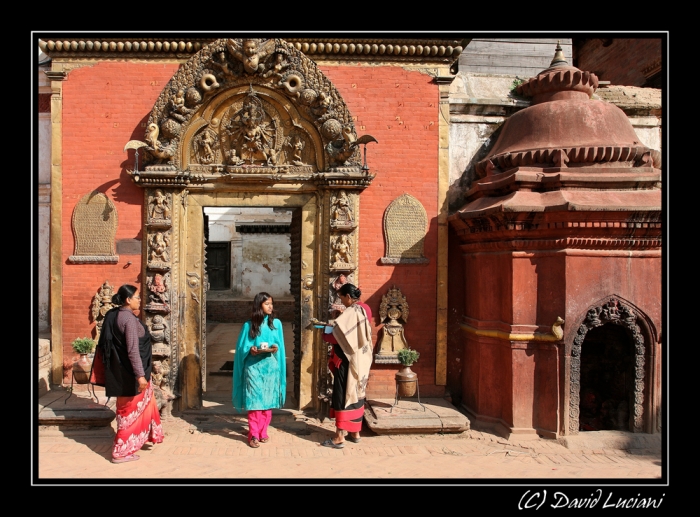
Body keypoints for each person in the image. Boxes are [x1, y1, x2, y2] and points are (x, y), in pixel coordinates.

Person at [92, 284, 164, 463]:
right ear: (128, 300)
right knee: (129, 412)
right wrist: (140, 375)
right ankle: (120, 450)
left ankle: (144, 437)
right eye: (137, 297)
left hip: (119, 371)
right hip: (131, 373)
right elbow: (132, 350)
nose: (140, 300)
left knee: (131, 408)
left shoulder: (112, 315)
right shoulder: (129, 320)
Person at [321, 283, 373, 448]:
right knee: (357, 394)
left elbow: (337, 338)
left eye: (342, 298)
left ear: (349, 297)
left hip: (347, 362)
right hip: (362, 359)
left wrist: (324, 332)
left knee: (342, 395)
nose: (342, 302)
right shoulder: (365, 308)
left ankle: (339, 437)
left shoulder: (352, 311)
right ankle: (355, 432)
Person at [232, 292, 286, 448]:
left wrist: (275, 348)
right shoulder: (248, 325)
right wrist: (251, 350)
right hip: (253, 368)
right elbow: (242, 346)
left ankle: (263, 432)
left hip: (270, 368)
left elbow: (280, 345)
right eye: (267, 304)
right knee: (254, 401)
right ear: (259, 305)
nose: (270, 306)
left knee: (268, 401)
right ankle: (254, 434)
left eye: (271, 303)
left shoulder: (277, 324)